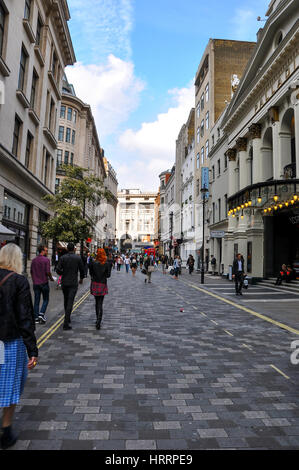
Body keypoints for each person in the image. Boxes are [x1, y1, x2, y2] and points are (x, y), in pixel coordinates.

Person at [0, 243, 38, 450]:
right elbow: (25, 318)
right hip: (9, 342)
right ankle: (6, 429)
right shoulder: (19, 281)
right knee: (10, 384)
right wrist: (32, 349)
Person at [56, 243, 85, 330]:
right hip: (73, 282)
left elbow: (58, 269)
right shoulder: (77, 258)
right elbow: (82, 270)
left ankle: (67, 318)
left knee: (66, 300)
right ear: (74, 249)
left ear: (67, 249)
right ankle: (66, 322)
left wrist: (63, 273)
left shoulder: (63, 258)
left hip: (64, 282)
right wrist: (81, 278)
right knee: (70, 301)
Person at [30, 245, 54, 325]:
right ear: (42, 251)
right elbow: (47, 272)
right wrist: (51, 278)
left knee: (36, 300)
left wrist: (34, 280)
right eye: (46, 250)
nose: (47, 252)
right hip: (44, 283)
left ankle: (36, 318)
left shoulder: (33, 260)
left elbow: (31, 271)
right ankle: (41, 314)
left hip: (36, 283)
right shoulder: (46, 260)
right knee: (46, 299)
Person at [89, 249, 111, 330]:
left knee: (96, 302)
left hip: (95, 283)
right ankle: (99, 320)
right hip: (102, 284)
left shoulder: (93, 263)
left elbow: (90, 273)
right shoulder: (107, 264)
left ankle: (97, 319)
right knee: (100, 303)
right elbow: (108, 275)